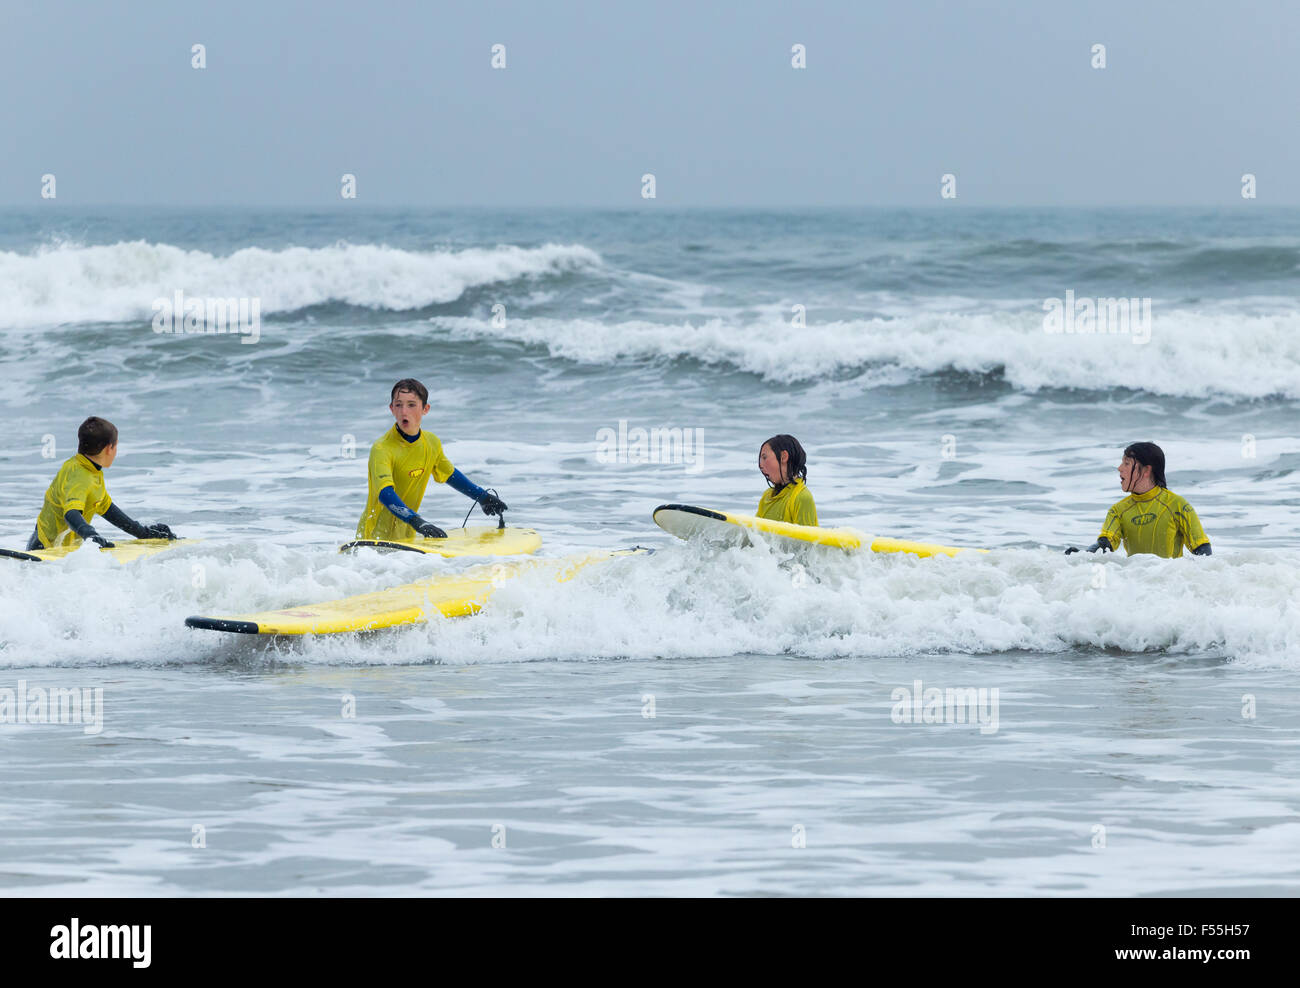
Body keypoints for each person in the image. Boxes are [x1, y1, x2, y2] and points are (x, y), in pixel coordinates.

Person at [355, 378, 508, 540]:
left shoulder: (431, 442)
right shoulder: (382, 448)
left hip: (407, 538)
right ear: (391, 409)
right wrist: (416, 520)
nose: (404, 412)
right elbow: (385, 493)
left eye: (411, 405)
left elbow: (449, 474)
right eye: (398, 405)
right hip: (372, 541)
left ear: (425, 409)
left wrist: (482, 496)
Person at [27, 417, 178, 550]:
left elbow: (107, 509)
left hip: (60, 549)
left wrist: (143, 533)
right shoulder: (79, 475)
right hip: (43, 549)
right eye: (115, 446)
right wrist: (90, 534)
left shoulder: (90, 471)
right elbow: (71, 513)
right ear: (108, 448)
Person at [1065, 442, 1211, 557]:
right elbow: (1105, 544)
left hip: (1170, 587)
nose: (1119, 468)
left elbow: (1202, 550)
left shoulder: (1177, 505)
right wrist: (1085, 555)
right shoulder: (1118, 511)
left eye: (1127, 463)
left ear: (1147, 470)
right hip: (1136, 585)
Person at [756, 434, 817, 527]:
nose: (760, 465)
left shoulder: (802, 497)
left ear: (783, 457)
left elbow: (809, 540)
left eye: (764, 458)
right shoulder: (767, 497)